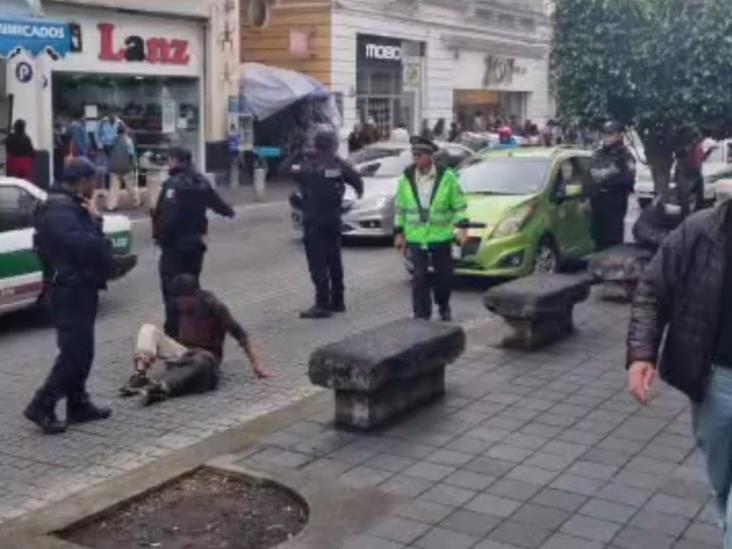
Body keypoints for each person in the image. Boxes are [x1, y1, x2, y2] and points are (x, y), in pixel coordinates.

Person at [627, 185, 732, 549]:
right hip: (716, 382)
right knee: (721, 482)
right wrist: (643, 354)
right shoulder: (702, 230)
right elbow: (653, 289)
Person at [24, 157, 114, 435]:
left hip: (79, 287)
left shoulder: (68, 206)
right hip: (69, 289)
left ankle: (78, 403)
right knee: (73, 353)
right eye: (93, 180)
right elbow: (86, 248)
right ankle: (42, 404)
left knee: (82, 351)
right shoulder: (59, 210)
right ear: (82, 181)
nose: (96, 185)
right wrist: (96, 221)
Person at [119, 274, 270, 405]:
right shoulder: (176, 306)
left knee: (201, 359)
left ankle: (161, 388)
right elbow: (170, 335)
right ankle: (140, 376)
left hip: (207, 358)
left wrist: (256, 366)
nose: (181, 305)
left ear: (195, 295)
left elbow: (240, 334)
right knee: (148, 329)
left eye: (184, 300)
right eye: (178, 300)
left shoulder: (213, 305)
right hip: (184, 353)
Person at [153, 148, 235, 337]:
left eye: (170, 160)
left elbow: (168, 218)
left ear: (176, 161)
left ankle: (174, 333)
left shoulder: (172, 184)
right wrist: (229, 211)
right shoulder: (201, 181)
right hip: (195, 245)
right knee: (191, 289)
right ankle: (193, 330)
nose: (168, 164)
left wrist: (161, 238)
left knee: (172, 291)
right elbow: (219, 205)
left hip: (175, 247)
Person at [287, 127, 364, 318]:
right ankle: (338, 300)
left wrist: (297, 152)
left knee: (318, 263)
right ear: (332, 145)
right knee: (334, 260)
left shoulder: (307, 165)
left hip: (314, 221)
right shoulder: (337, 164)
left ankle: (322, 303)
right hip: (333, 219)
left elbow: (284, 169)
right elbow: (357, 181)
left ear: (316, 145)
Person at [394, 136, 468, 321]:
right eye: (414, 154)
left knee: (443, 278)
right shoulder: (407, 177)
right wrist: (399, 233)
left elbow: (459, 205)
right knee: (419, 279)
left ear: (430, 156)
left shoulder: (447, 177)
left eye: (419, 155)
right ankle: (422, 316)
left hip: (440, 236)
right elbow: (400, 207)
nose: (415, 158)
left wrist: (461, 228)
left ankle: (443, 304)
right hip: (416, 237)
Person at [589, 121, 636, 250]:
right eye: (604, 134)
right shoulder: (598, 154)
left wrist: (607, 180)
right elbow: (589, 174)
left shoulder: (625, 156)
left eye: (610, 134)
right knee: (597, 239)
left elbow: (628, 179)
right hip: (597, 202)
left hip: (614, 202)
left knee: (613, 241)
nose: (606, 137)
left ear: (619, 135)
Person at [107, 125, 139, 211]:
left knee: (114, 187)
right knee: (130, 185)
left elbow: (109, 151)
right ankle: (136, 202)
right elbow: (131, 154)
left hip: (114, 166)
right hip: (125, 166)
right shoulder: (128, 140)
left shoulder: (113, 140)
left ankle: (111, 206)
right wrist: (134, 164)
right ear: (125, 131)